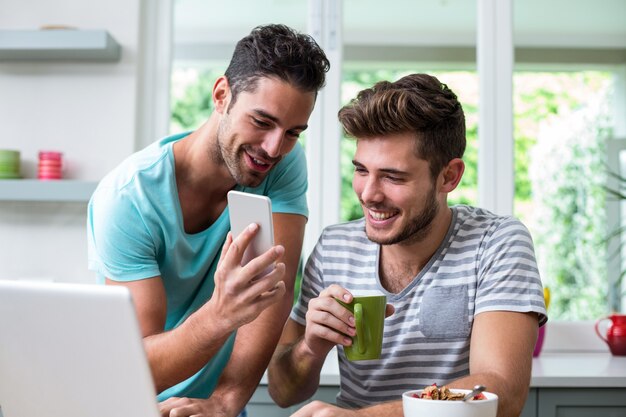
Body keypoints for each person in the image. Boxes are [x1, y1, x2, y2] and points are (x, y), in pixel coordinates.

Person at [267, 73, 547, 417]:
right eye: (361, 170)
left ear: (449, 176)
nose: (369, 194)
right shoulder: (334, 247)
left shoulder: (496, 243)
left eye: (392, 176)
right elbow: (283, 393)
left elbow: (501, 392)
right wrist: (310, 347)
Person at [87, 24, 330, 417]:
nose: (274, 148)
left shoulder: (283, 163)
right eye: (262, 122)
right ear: (222, 95)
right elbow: (139, 365)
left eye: (293, 133)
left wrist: (227, 400)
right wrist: (222, 313)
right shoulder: (128, 199)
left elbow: (274, 291)